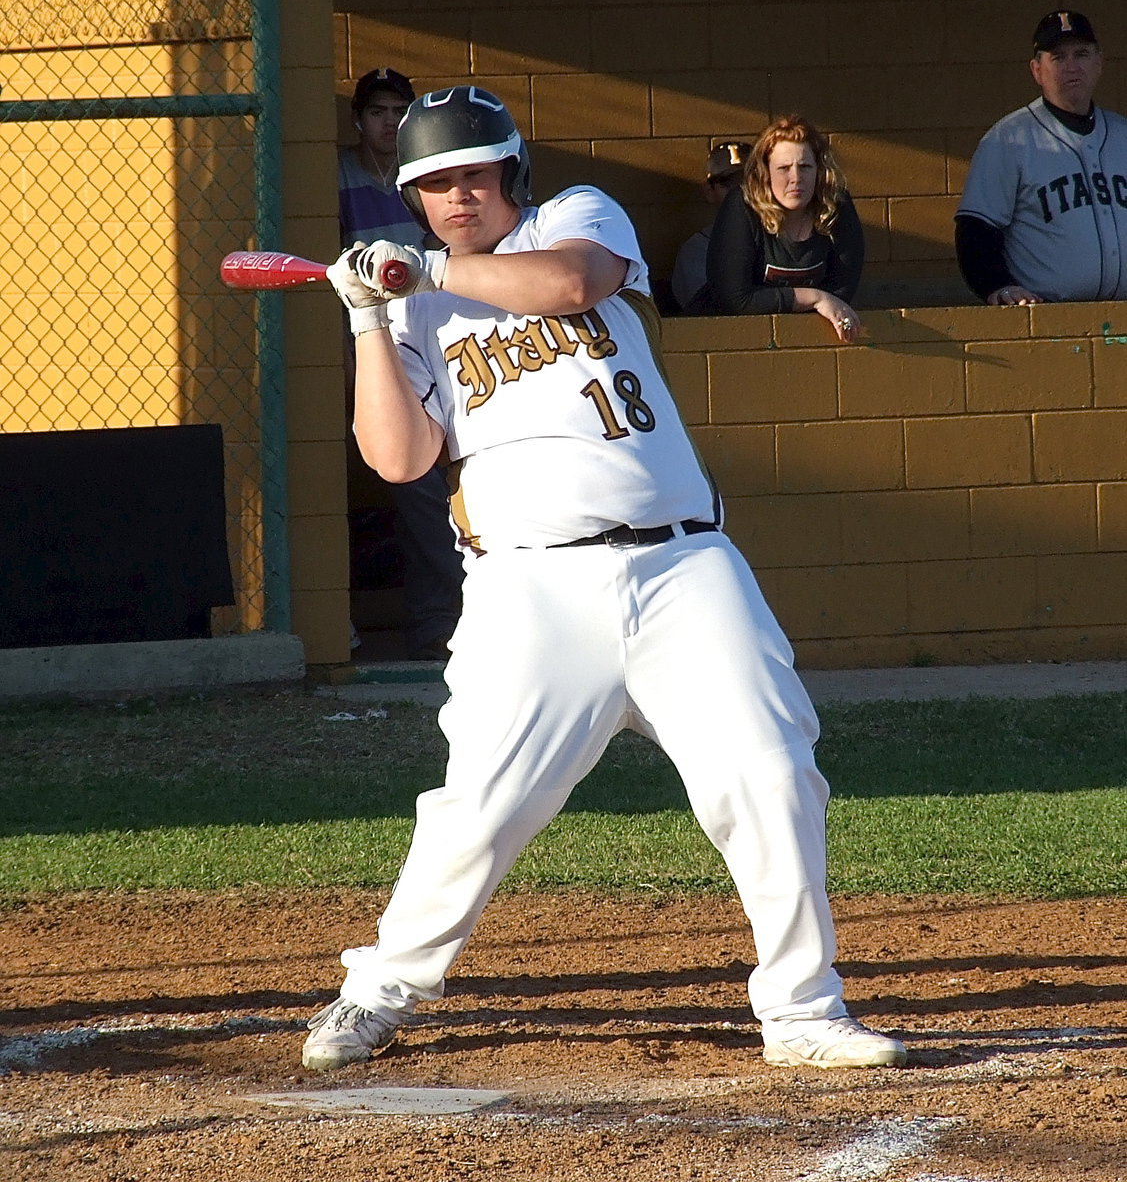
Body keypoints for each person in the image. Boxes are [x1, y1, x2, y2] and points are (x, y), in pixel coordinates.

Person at [302, 85, 907, 1074]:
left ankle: (800, 1009)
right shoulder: (413, 301)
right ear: (412, 194)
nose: (456, 196)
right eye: (433, 184)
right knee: (483, 808)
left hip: (681, 565)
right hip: (527, 590)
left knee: (769, 768)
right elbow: (398, 457)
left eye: (473, 175)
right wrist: (371, 317)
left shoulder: (573, 217)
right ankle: (380, 988)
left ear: (510, 175)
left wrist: (425, 269)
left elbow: (572, 286)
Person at [339, 67, 463, 659]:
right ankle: (436, 623)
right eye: (378, 112)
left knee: (445, 477)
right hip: (373, 348)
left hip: (443, 338)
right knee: (410, 481)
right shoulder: (336, 176)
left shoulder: (428, 174)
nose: (389, 123)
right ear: (359, 119)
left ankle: (452, 617)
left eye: (399, 112)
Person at [955, 11, 1127, 306]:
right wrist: (996, 286)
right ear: (1037, 70)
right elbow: (975, 230)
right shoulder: (1008, 140)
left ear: (1100, 63)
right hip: (1046, 319)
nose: (1072, 66)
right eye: (1058, 57)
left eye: (1082, 54)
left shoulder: (1123, 135)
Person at [706, 115, 864, 342]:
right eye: (783, 168)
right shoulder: (741, 205)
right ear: (765, 173)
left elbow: (841, 292)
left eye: (805, 167)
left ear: (819, 171)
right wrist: (815, 298)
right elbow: (735, 299)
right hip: (731, 341)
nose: (795, 178)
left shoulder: (837, 205)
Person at [669, 140, 752, 314]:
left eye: (753, 180)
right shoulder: (697, 250)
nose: (744, 191)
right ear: (709, 190)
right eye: (730, 183)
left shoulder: (784, 240)